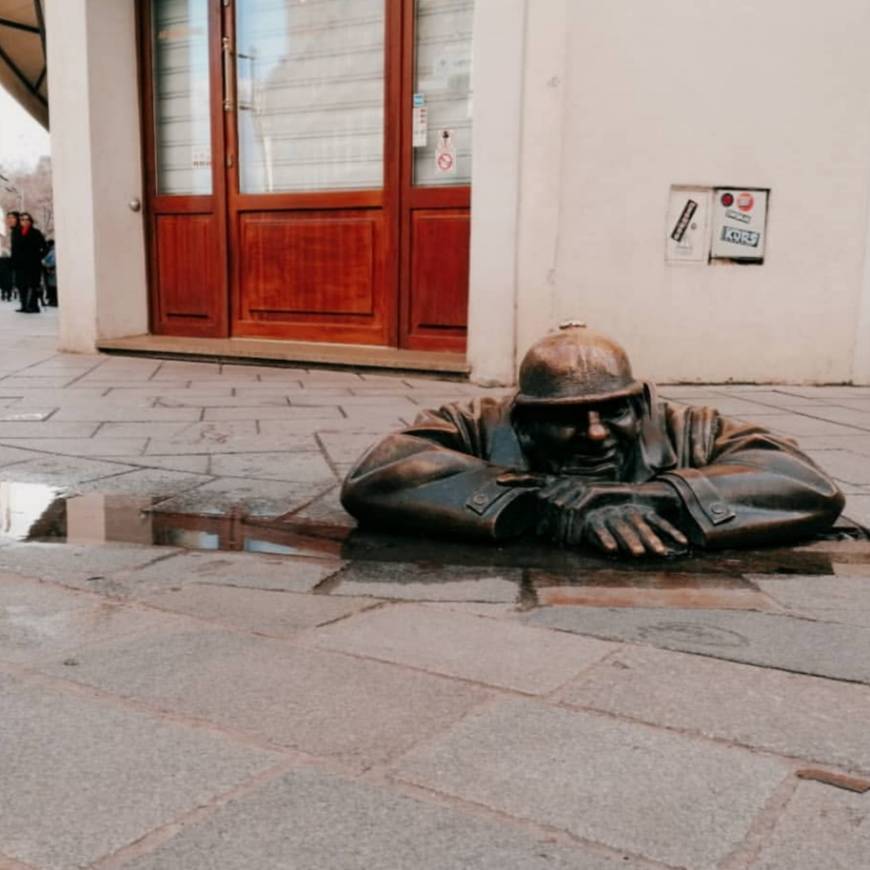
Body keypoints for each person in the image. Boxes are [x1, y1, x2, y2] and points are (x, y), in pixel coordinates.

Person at [341, 323, 844, 558]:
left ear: (639, 402)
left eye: (614, 411)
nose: (597, 433)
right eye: (567, 419)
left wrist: (650, 496)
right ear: (525, 419)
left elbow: (804, 482)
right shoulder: (481, 422)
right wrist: (545, 503)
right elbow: (378, 473)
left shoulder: (684, 426)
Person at [11, 212, 46, 313]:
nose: (24, 222)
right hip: (20, 265)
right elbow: (14, 249)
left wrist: (38, 257)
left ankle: (33, 306)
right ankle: (24, 305)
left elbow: (44, 247)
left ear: (30, 221)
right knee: (21, 285)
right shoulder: (16, 233)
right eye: (22, 220)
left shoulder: (36, 232)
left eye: (27, 220)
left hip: (33, 264)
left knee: (32, 285)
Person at [0, 210, 19, 302]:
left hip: (5, 274)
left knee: (4, 284)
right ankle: (8, 295)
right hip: (9, 274)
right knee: (8, 284)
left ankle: (5, 295)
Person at [42, 240, 57, 307]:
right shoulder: (53, 251)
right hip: (52, 271)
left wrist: (46, 265)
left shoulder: (52, 252)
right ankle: (53, 301)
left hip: (52, 271)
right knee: (53, 287)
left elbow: (45, 260)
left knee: (52, 287)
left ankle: (53, 301)